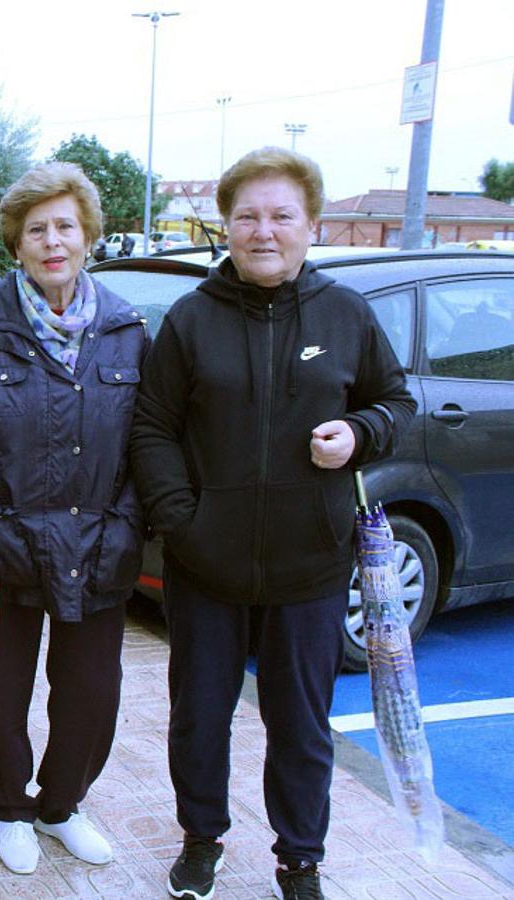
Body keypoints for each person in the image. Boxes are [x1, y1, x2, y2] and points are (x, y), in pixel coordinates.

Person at [128, 147, 416, 900]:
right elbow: (151, 428)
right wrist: (180, 521)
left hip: (310, 566)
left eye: (282, 215)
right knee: (200, 720)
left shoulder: (345, 313)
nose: (264, 231)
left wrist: (361, 433)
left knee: (302, 726)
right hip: (205, 565)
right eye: (247, 215)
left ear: (311, 225)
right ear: (224, 226)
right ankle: (202, 839)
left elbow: (396, 404)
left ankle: (301, 858)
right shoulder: (191, 320)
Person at [0, 162, 148, 876]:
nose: (52, 241)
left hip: (98, 545)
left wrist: (128, 524)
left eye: (65, 226)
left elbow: (152, 439)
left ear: (89, 236)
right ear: (15, 242)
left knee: (89, 696)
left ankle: (61, 806)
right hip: (1, 544)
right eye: (36, 228)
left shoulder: (127, 329)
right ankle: (10, 808)